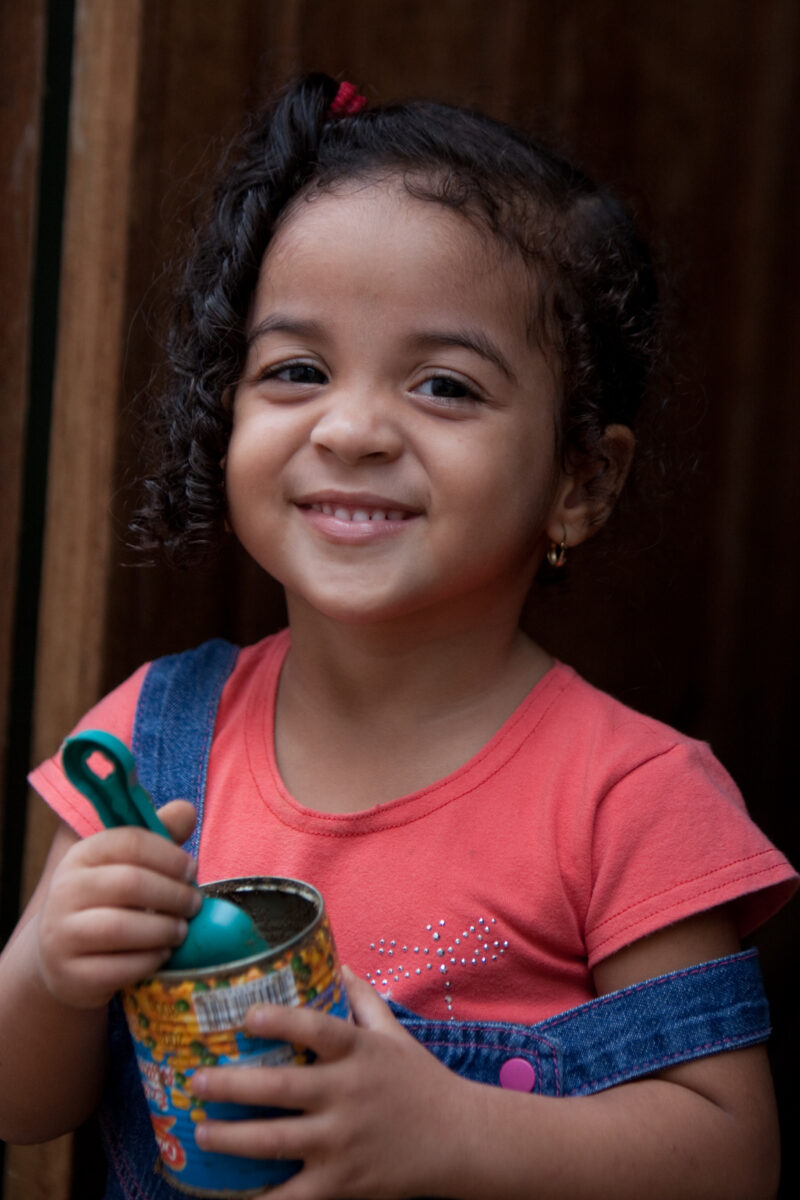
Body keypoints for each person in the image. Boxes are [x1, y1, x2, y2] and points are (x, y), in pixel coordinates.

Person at [0, 73, 796, 1200]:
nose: (354, 427)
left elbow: (729, 1160)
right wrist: (46, 972)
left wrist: (449, 1132)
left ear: (580, 479)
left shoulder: (633, 799)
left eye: (442, 384)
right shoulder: (147, 741)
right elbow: (25, 1102)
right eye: (297, 371)